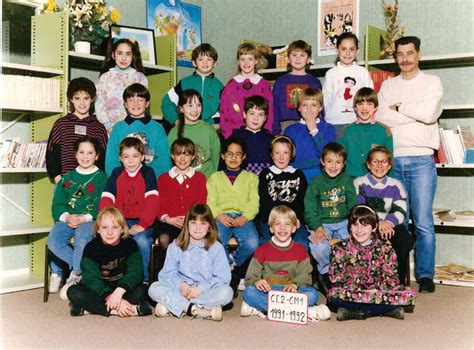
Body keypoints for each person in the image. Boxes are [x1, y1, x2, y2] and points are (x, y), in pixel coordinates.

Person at [376, 36, 443, 293]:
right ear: (395, 56)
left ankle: (425, 276)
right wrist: (410, 114)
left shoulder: (432, 82)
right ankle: (398, 275)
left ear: (419, 54)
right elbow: (381, 115)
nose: (405, 58)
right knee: (396, 221)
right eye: (400, 54)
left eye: (410, 53)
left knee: (423, 221)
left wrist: (400, 107)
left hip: (422, 159)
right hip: (394, 160)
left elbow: (429, 114)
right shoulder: (388, 85)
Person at [327, 205, 417, 321]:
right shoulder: (340, 248)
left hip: (378, 292)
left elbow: (392, 278)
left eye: (364, 225)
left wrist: (376, 290)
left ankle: (357, 313)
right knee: (333, 297)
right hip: (352, 293)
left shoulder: (385, 247)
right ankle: (386, 310)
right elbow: (336, 279)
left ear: (374, 227)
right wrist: (360, 289)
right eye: (355, 225)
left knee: (408, 294)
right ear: (350, 227)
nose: (359, 230)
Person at [241, 205, 331, 321]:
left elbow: (305, 276)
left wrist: (295, 284)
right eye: (278, 224)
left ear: (294, 228)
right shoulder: (262, 249)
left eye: (287, 224)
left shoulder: (300, 250)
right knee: (249, 292)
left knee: (313, 294)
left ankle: (262, 309)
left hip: (293, 291)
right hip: (270, 290)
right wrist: (257, 281)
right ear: (271, 229)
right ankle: (305, 311)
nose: (282, 228)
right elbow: (250, 277)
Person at [148, 204, 233, 321]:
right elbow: (166, 275)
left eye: (203, 223)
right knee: (153, 288)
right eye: (193, 223)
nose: (198, 228)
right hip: (181, 290)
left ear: (209, 226)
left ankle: (177, 306)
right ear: (187, 224)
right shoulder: (175, 246)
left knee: (227, 293)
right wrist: (181, 285)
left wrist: (200, 289)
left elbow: (223, 277)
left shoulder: (216, 248)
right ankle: (198, 310)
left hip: (205, 292)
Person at [47, 136, 108, 298]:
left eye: (90, 153)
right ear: (75, 154)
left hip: (90, 220)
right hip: (68, 219)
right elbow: (57, 204)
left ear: (97, 156)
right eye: (81, 152)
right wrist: (66, 217)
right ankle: (80, 268)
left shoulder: (103, 178)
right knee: (53, 241)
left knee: (83, 237)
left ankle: (76, 275)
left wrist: (86, 217)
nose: (85, 156)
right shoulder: (66, 178)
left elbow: (104, 206)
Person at [67, 206, 153, 317]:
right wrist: (111, 297)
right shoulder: (91, 248)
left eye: (115, 227)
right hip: (100, 290)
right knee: (74, 292)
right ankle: (124, 310)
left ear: (122, 229)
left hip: (122, 289)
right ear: (98, 229)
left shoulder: (130, 244)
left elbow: (135, 271)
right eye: (104, 227)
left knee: (144, 290)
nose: (109, 232)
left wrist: (118, 292)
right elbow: (91, 280)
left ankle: (92, 309)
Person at [100, 137, 159, 283]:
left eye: (135, 156)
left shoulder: (148, 173)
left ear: (142, 157)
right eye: (126, 157)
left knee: (142, 240)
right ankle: (112, 276)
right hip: (120, 220)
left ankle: (144, 279)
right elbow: (107, 198)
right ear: (120, 158)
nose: (131, 161)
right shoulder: (116, 173)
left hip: (143, 221)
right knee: (109, 237)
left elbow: (153, 201)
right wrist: (113, 222)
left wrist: (143, 225)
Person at [354, 146, 415, 284]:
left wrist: (388, 223)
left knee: (404, 241)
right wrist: (378, 222)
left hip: (389, 225)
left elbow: (400, 209)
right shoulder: (360, 183)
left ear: (389, 166)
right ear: (369, 165)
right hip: (367, 225)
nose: (379, 166)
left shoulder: (396, 185)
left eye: (384, 162)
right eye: (375, 162)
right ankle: (369, 280)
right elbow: (360, 208)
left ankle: (397, 282)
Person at [206, 137, 259, 292]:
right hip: (221, 217)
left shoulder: (251, 178)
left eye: (238, 154)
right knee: (216, 240)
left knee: (252, 243)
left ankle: (233, 266)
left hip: (243, 217)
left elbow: (254, 201)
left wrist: (245, 217)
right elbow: (210, 201)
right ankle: (227, 264)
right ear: (223, 156)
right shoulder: (215, 178)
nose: (233, 158)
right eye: (230, 154)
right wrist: (219, 215)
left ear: (243, 157)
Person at [304, 142, 357, 294]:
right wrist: (318, 227)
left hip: (344, 222)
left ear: (344, 163)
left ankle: (346, 275)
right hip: (322, 224)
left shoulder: (347, 180)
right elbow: (310, 208)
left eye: (338, 162)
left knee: (353, 246)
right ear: (322, 161)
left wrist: (351, 226)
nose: (333, 166)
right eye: (329, 161)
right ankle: (325, 274)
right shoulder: (316, 182)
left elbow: (353, 205)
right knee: (320, 246)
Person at [153, 138, 207, 277]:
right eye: (178, 154)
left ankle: (191, 276)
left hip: (192, 222)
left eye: (187, 154)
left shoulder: (199, 178)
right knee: (164, 239)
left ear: (193, 157)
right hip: (168, 221)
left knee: (192, 241)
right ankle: (165, 276)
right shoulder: (163, 178)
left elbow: (201, 203)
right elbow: (159, 204)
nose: (182, 158)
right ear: (172, 155)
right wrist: (167, 218)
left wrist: (190, 220)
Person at [46, 77, 108, 184]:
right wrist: (58, 181)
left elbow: (103, 159)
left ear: (92, 99)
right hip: (65, 183)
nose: (82, 103)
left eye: (86, 98)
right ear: (71, 99)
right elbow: (52, 155)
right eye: (77, 98)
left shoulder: (99, 127)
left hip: (91, 184)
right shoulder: (61, 124)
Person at [105, 83, 171, 178]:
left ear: (147, 103)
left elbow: (163, 160)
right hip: (124, 182)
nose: (136, 104)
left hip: (150, 181)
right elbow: (111, 160)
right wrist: (118, 180)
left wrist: (152, 179)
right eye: (131, 100)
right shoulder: (118, 128)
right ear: (125, 104)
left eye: (140, 100)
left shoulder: (157, 128)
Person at [258, 136, 309, 249]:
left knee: (302, 244)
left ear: (291, 155)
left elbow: (302, 201)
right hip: (270, 220)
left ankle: (295, 266)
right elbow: (264, 201)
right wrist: (271, 220)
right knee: (266, 244)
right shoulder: (265, 174)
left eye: (285, 153)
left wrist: (297, 218)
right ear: (271, 155)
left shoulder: (298, 175)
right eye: (277, 153)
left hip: (292, 220)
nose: (281, 157)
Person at [161, 43, 223, 129]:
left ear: (215, 63)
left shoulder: (219, 86)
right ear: (194, 62)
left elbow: (227, 111)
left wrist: (219, 125)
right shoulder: (184, 83)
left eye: (209, 59)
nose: (205, 62)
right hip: (186, 128)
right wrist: (175, 120)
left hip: (208, 129)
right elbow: (167, 102)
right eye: (201, 59)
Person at [219, 43, 274, 138]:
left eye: (250, 59)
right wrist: (228, 136)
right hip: (235, 136)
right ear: (238, 61)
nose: (246, 63)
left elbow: (270, 112)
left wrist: (267, 134)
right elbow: (224, 114)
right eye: (243, 59)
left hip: (259, 134)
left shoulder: (264, 85)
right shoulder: (230, 85)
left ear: (256, 60)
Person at [337, 87, 393, 177]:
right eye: (360, 104)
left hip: (376, 182)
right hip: (351, 182)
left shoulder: (384, 130)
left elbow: (389, 162)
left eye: (369, 104)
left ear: (376, 108)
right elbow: (339, 161)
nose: (364, 108)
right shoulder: (345, 131)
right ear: (355, 107)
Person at [95, 38, 148, 133]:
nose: (123, 58)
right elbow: (99, 105)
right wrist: (108, 127)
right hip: (109, 129)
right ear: (113, 55)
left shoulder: (140, 78)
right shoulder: (105, 77)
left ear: (133, 56)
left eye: (128, 54)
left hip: (134, 128)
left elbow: (142, 104)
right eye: (119, 53)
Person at [284, 87, 336, 182]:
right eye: (304, 105)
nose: (309, 109)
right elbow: (286, 157)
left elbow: (328, 155)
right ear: (299, 108)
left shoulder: (328, 128)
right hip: (297, 174)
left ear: (320, 108)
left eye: (313, 105)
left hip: (321, 174)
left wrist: (314, 130)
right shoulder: (290, 130)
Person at [323, 33, 373, 129]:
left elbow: (370, 98)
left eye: (351, 49)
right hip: (334, 122)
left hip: (357, 121)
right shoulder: (331, 73)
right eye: (343, 49)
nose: (347, 53)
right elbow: (326, 99)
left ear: (357, 50)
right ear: (337, 50)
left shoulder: (362, 72)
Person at [272, 40, 322, 134]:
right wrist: (275, 130)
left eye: (302, 55)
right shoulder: (280, 81)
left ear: (308, 60)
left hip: (309, 123)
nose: (298, 58)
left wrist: (320, 126)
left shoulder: (314, 82)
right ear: (288, 59)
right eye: (294, 55)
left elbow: (320, 107)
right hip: (285, 125)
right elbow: (274, 108)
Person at [167, 89, 221, 178]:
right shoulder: (174, 132)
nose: (195, 109)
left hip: (207, 180)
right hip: (182, 181)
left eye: (198, 105)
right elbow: (169, 160)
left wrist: (213, 179)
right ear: (181, 109)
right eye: (190, 105)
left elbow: (216, 157)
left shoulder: (209, 130)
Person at [230, 95, 273, 175]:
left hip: (265, 179)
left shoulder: (270, 139)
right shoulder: (235, 137)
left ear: (265, 118)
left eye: (260, 115)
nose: (256, 118)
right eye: (252, 113)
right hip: (242, 178)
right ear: (244, 114)